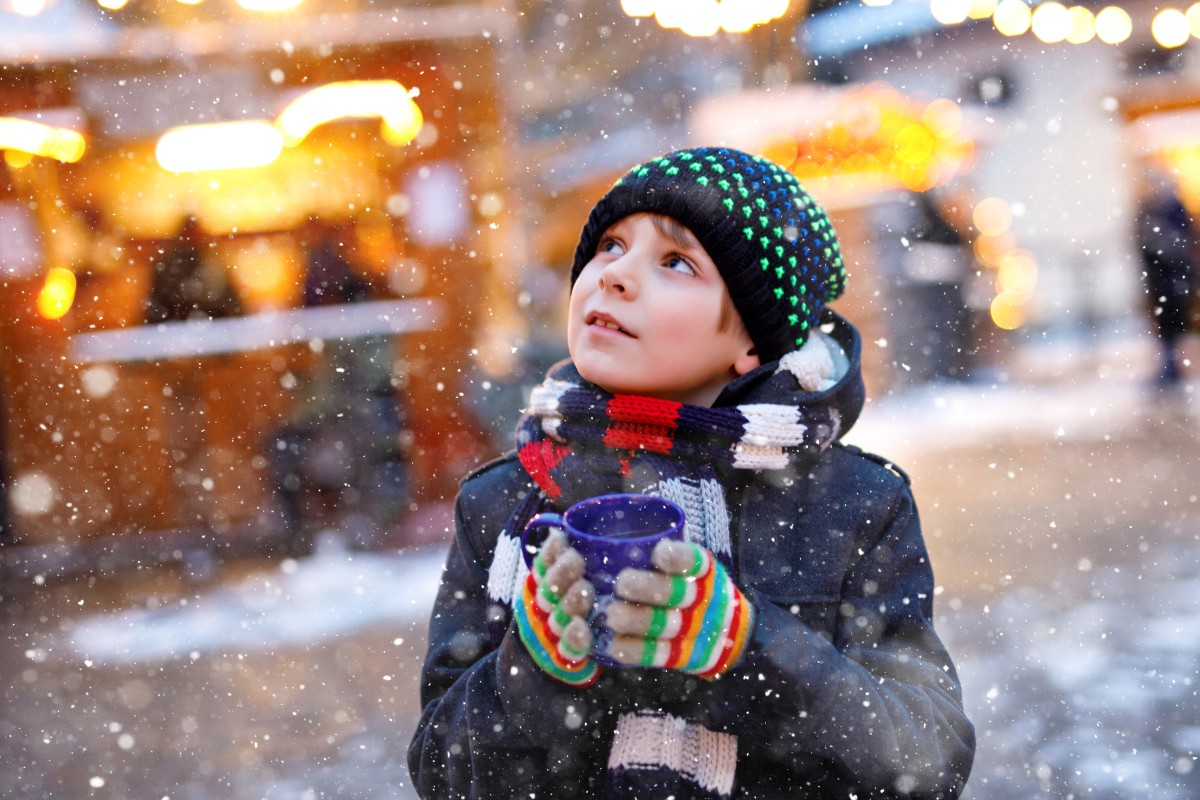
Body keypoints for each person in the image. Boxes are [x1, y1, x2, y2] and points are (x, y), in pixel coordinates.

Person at [408, 148, 975, 799]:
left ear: (752, 344)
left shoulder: (856, 505)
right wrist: (533, 670)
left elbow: (927, 761)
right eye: (611, 245)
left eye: (676, 262)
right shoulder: (502, 502)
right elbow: (442, 772)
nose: (615, 275)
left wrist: (746, 647)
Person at [1136, 168, 1196, 388]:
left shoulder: (1172, 211)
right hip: (1159, 281)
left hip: (1174, 281)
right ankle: (1169, 366)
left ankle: (1172, 368)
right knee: (1164, 326)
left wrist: (1161, 244)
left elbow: (1183, 244)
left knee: (1174, 324)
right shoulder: (1148, 211)